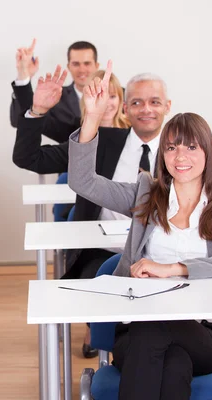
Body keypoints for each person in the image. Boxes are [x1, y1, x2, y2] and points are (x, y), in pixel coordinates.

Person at [68, 61, 212, 400]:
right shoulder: (145, 194)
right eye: (171, 147)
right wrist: (92, 119)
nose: (179, 155)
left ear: (207, 152)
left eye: (190, 146)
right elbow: (82, 182)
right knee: (171, 366)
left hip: (202, 333)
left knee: (153, 337)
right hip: (137, 327)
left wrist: (174, 269)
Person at [13, 64, 170, 358]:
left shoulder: (181, 151)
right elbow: (28, 157)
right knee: (104, 283)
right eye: (137, 102)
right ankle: (107, 340)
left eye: (154, 102)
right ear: (128, 106)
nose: (145, 109)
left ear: (167, 107)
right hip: (105, 251)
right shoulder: (98, 142)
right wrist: (36, 111)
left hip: (164, 254)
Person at [9, 39, 100, 142]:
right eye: (76, 64)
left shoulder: (115, 97)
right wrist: (23, 76)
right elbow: (18, 120)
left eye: (87, 63)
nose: (82, 70)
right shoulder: (55, 96)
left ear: (97, 66)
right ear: (69, 66)